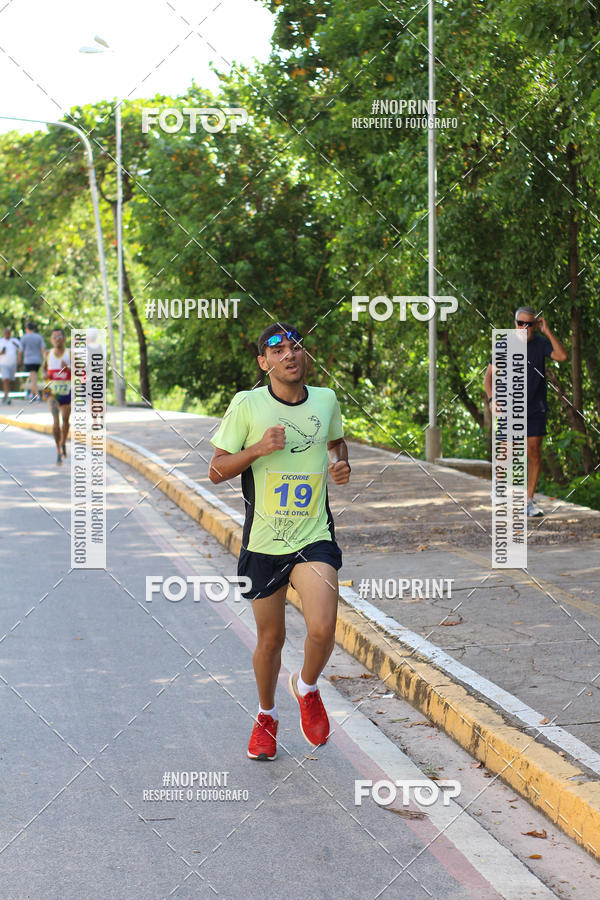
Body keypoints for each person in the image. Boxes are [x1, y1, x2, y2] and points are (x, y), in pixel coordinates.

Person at [208, 323, 351, 761]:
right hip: (264, 543)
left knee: (323, 627)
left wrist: (340, 464)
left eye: (296, 347)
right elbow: (216, 470)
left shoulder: (325, 400)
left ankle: (306, 687)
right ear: (264, 362)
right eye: (278, 350)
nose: (289, 354)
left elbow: (337, 443)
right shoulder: (247, 404)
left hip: (313, 536)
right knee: (271, 640)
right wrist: (257, 449)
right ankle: (266, 716)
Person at [484, 307, 568, 517]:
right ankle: (498, 486)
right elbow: (489, 377)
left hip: (535, 408)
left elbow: (562, 356)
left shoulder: (541, 343)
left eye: (529, 324)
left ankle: (528, 501)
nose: (524, 327)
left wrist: (548, 331)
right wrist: (492, 399)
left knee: (534, 452)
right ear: (515, 323)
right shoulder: (504, 345)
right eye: (520, 323)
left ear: (536, 325)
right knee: (508, 451)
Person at [42, 327, 71, 465]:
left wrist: (69, 368)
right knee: (55, 422)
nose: (57, 340)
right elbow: (44, 368)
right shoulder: (48, 353)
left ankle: (63, 442)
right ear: (51, 340)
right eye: (54, 338)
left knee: (65, 420)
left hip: (67, 391)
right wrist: (44, 374)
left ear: (64, 339)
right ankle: (58, 449)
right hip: (52, 391)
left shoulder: (70, 354)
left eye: (59, 337)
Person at [20, 322, 45, 400]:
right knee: (34, 376)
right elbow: (43, 349)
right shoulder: (39, 337)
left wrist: (19, 359)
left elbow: (20, 350)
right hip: (38, 360)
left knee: (33, 376)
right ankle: (31, 393)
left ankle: (37, 395)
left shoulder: (24, 337)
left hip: (28, 360)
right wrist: (45, 359)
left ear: (26, 329)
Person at [0, 327, 22, 404]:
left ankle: (5, 395)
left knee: (10, 380)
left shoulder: (14, 341)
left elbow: (20, 350)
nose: (7, 334)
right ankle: (8, 397)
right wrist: (1, 352)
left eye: (8, 333)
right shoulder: (1, 341)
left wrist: (19, 359)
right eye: (6, 333)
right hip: (3, 363)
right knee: (5, 379)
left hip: (13, 364)